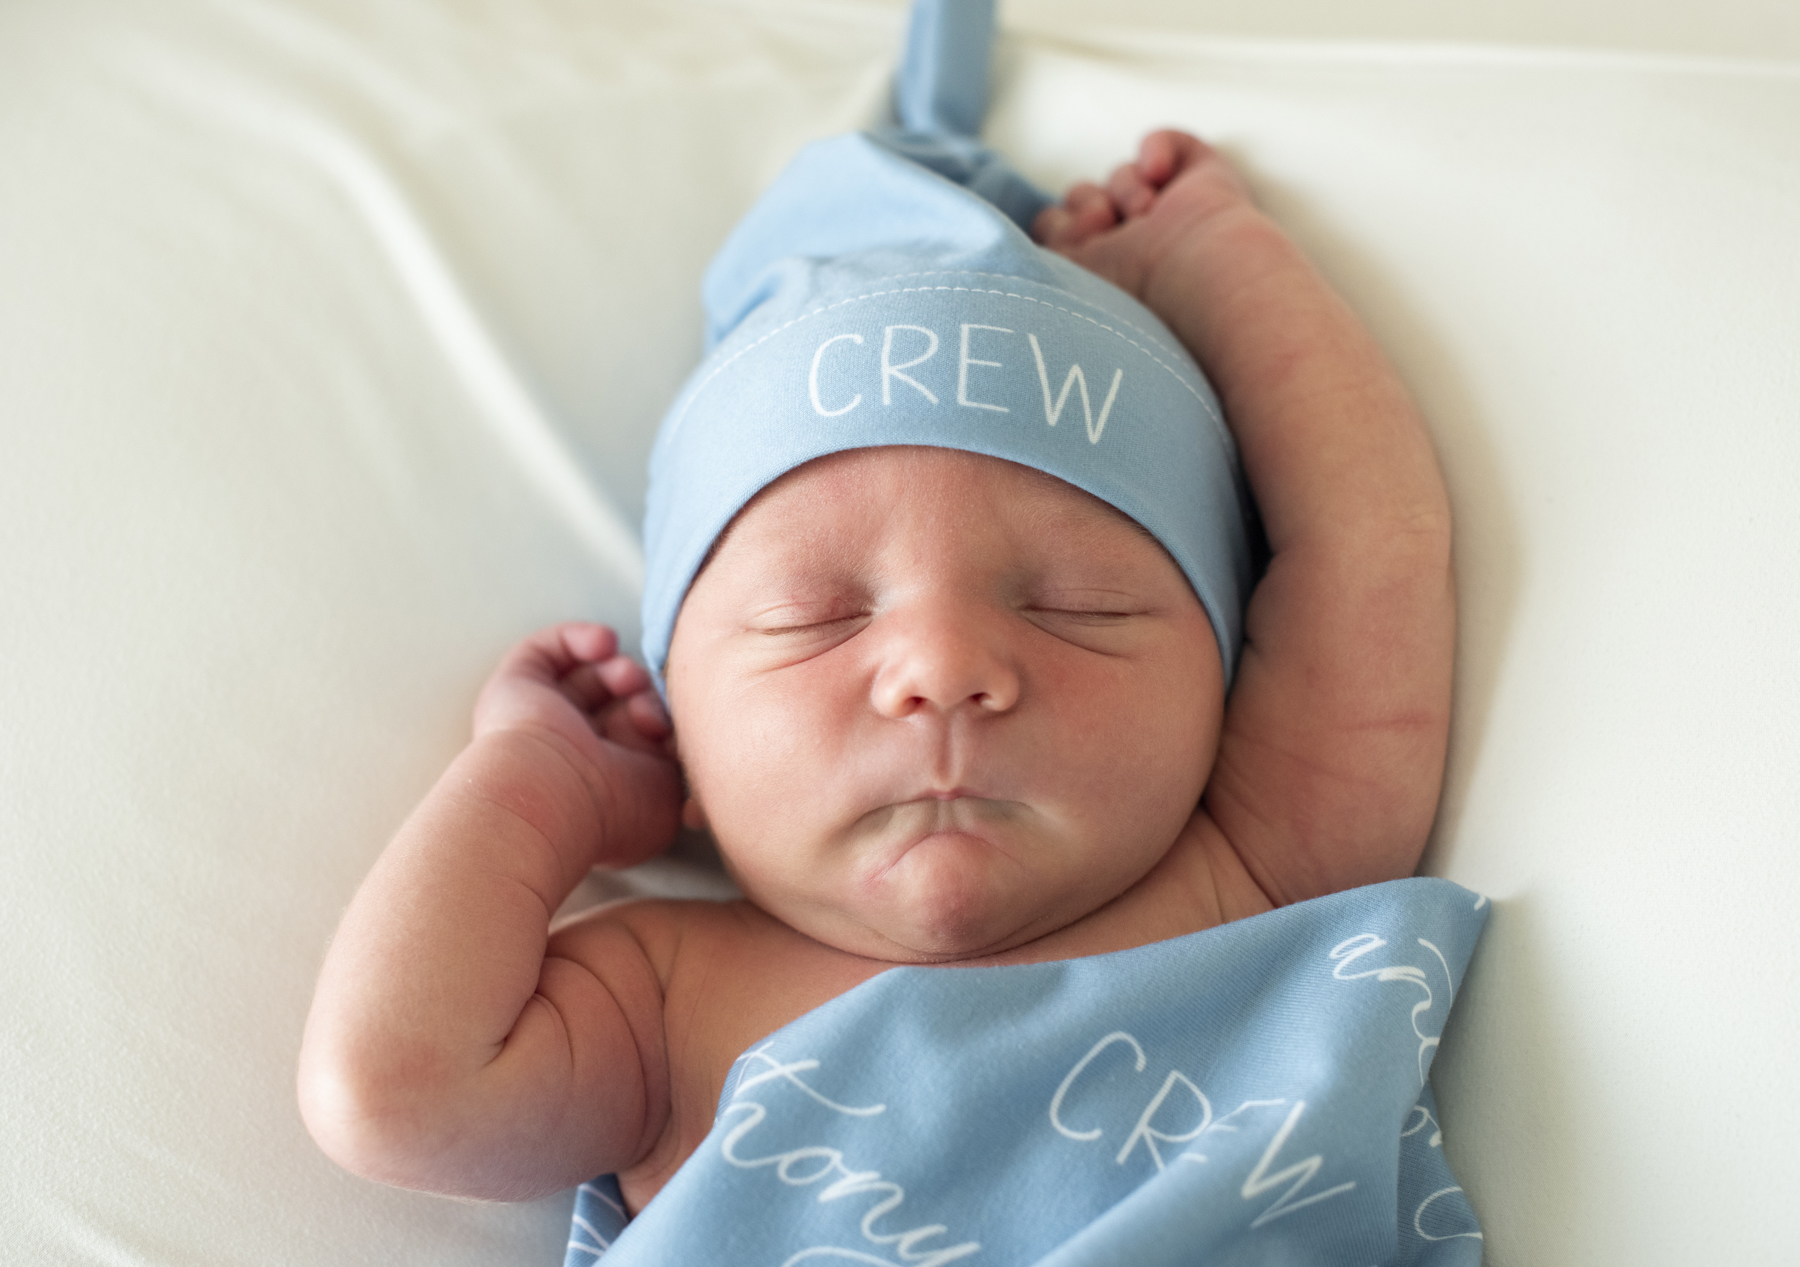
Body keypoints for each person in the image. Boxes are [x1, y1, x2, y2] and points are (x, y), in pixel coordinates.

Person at [300, 2, 1484, 1262]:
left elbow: (1370, 546)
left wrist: (1219, 263)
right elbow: (397, 1090)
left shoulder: (1261, 868)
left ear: (1219, 665)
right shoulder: (661, 1001)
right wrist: (540, 794)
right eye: (812, 619)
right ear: (680, 728)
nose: (942, 668)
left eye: (1077, 605)